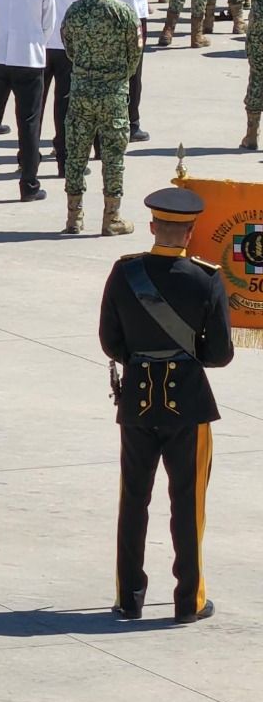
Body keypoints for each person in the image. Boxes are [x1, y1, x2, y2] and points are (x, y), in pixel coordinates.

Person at [100, 186, 234, 622]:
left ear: (153, 226)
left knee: (133, 501)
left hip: (138, 401)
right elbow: (219, 354)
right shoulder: (206, 278)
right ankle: (188, 601)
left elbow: (110, 341)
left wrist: (143, 359)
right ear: (191, 232)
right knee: (189, 503)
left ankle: (128, 599)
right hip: (188, 405)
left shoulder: (125, 273)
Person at [63, 0, 141, 238]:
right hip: (113, 92)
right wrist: (119, 75)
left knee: (76, 153)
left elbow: (69, 48)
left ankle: (74, 217)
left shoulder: (75, 11)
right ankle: (112, 217)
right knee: (113, 155)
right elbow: (135, 53)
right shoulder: (123, 12)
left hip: (82, 90)